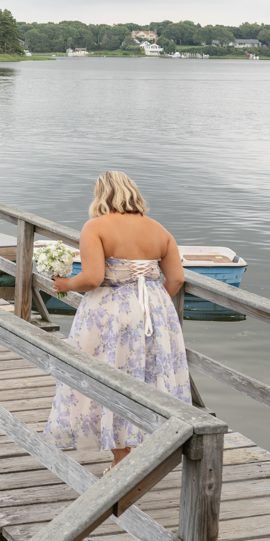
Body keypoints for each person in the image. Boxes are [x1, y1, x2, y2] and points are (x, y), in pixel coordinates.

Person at [43, 171, 191, 467]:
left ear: (102, 195)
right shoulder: (159, 230)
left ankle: (121, 454)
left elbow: (93, 278)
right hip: (155, 311)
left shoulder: (96, 227)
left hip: (110, 312)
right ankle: (154, 443)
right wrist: (149, 303)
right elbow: (176, 278)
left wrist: (66, 284)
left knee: (104, 372)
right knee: (148, 374)